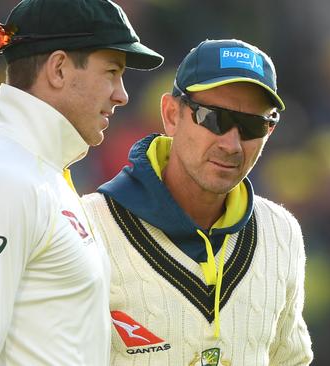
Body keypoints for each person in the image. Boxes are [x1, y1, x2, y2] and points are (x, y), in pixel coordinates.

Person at [0, 1, 163, 365]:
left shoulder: (43, 176)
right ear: (58, 69)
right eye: (111, 72)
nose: (122, 94)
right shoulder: (4, 181)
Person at [83, 39, 313, 365]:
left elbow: (290, 360)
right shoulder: (88, 226)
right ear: (171, 114)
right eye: (214, 118)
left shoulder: (281, 231)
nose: (232, 144)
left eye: (253, 125)